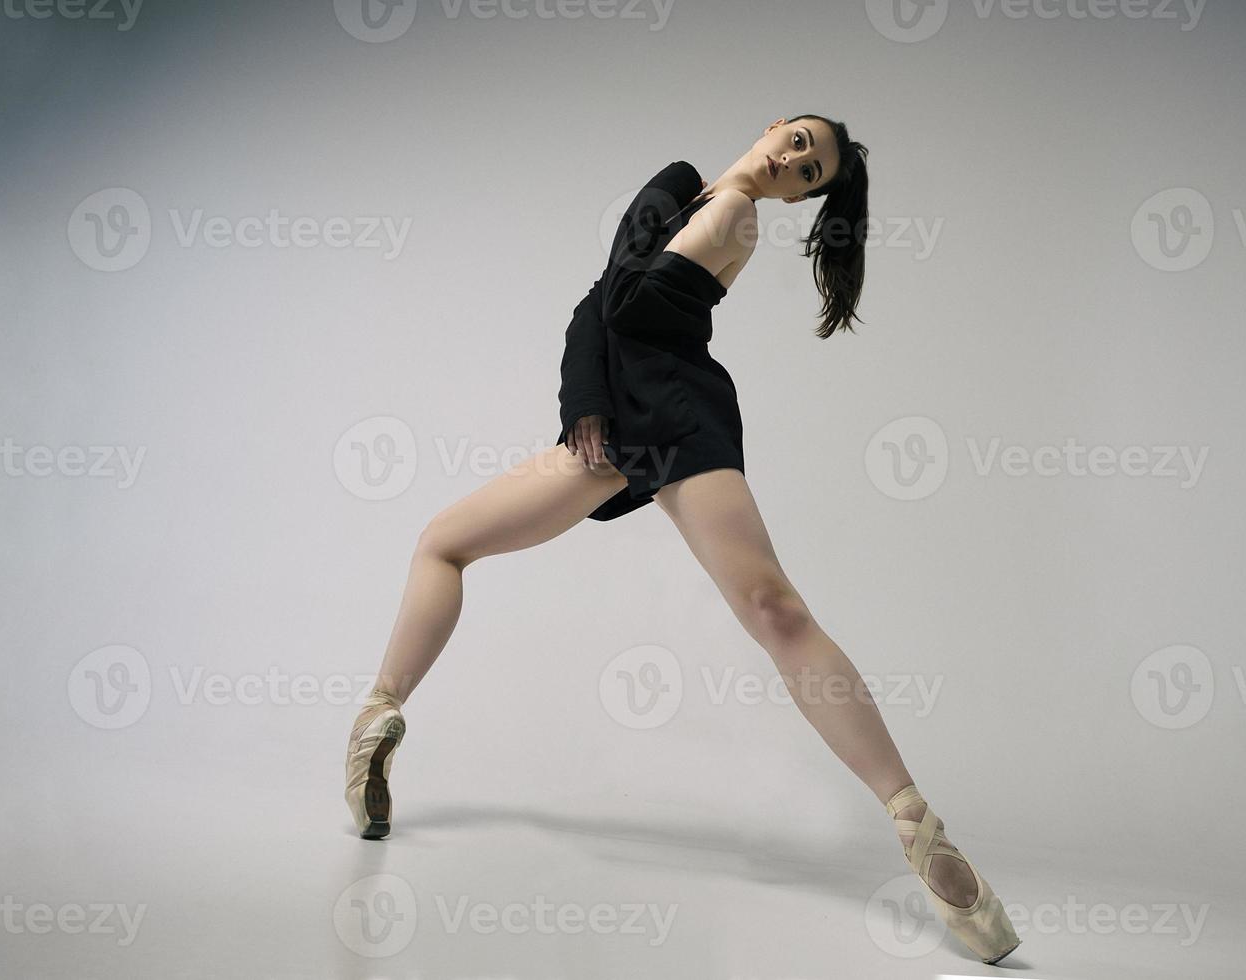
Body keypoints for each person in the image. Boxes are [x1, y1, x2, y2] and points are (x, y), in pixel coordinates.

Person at [343, 113, 1021, 964]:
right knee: (443, 541)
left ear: (801, 198)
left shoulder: (735, 211)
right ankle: (378, 720)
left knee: (773, 609)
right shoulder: (683, 184)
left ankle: (918, 827)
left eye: (808, 176)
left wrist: (738, 190)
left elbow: (623, 302)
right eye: (800, 142)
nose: (793, 162)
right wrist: (580, 408)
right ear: (777, 125)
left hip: (676, 412)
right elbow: (596, 304)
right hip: (617, 424)